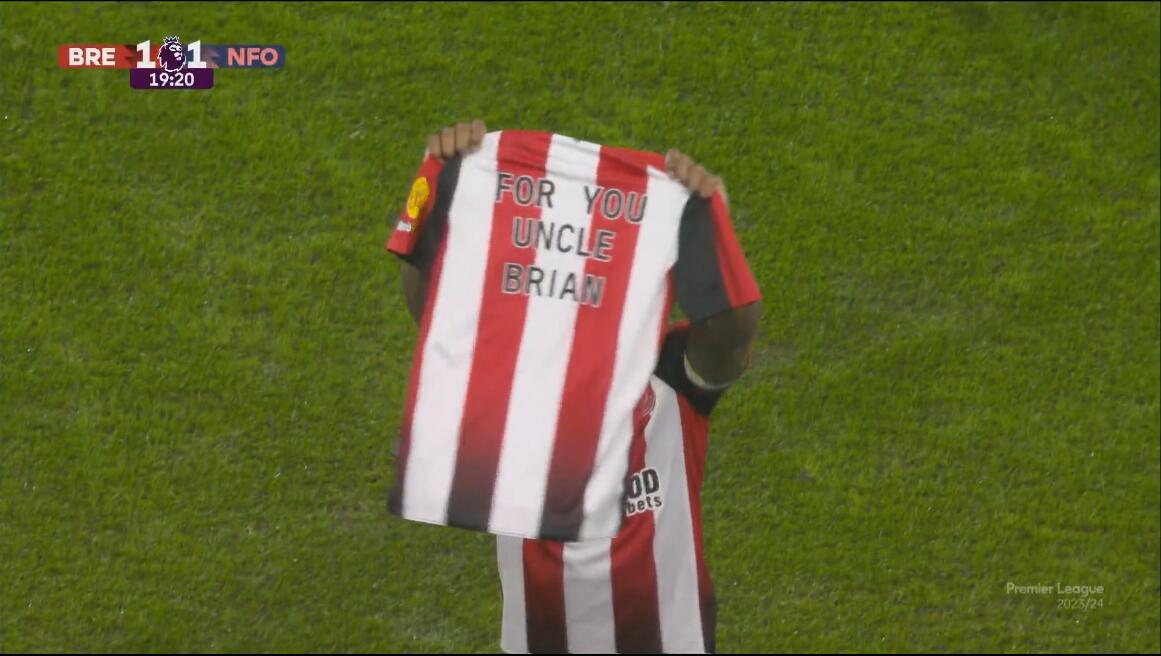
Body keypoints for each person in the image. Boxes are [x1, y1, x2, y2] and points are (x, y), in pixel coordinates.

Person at [393, 123, 762, 654]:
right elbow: (431, 305)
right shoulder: (508, 374)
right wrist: (441, 192)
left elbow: (732, 333)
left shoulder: (670, 374)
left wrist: (710, 230)